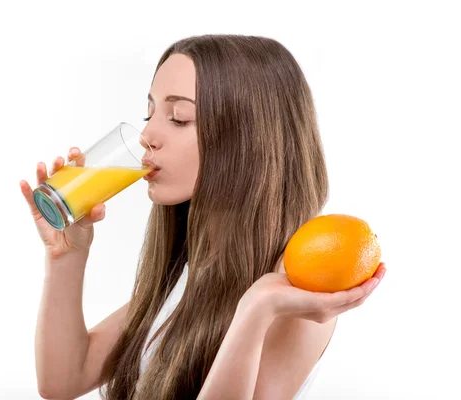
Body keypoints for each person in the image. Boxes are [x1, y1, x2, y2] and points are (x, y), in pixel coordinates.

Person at [19, 34, 386, 400]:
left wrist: (256, 310)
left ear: (248, 138)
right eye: (150, 113)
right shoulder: (195, 267)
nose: (147, 136)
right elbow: (62, 381)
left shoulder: (295, 285)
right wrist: (66, 255)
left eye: (179, 119)